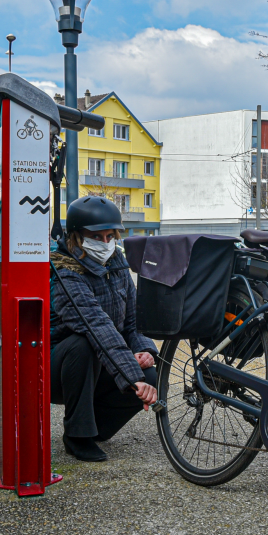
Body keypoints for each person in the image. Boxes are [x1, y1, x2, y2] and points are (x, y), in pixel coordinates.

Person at [49, 195, 158, 462]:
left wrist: (144, 351)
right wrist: (131, 376)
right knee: (82, 343)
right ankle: (77, 435)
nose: (106, 243)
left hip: (103, 363)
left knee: (151, 376)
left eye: (111, 236)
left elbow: (133, 321)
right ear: (76, 236)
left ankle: (94, 426)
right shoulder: (64, 273)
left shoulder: (117, 264)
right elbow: (96, 325)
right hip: (59, 368)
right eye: (97, 237)